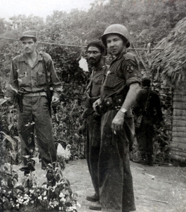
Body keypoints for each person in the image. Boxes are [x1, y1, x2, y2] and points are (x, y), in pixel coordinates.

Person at [92, 24, 141, 211]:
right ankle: (124, 206)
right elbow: (116, 88)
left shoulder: (127, 59)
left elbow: (135, 87)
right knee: (118, 162)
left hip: (116, 115)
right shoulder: (115, 62)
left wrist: (121, 113)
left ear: (124, 41)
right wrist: (100, 100)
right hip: (109, 113)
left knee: (112, 163)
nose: (112, 44)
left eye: (116, 40)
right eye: (109, 41)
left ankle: (112, 207)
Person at [8, 30, 62, 169]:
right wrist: (12, 100)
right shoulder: (16, 61)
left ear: (35, 44)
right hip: (24, 102)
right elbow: (12, 84)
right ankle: (28, 178)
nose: (27, 46)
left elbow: (56, 82)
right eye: (24, 43)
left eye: (30, 43)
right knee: (25, 138)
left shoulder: (45, 59)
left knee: (46, 138)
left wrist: (56, 95)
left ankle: (51, 176)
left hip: (41, 100)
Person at [82, 41, 107, 205]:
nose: (91, 55)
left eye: (95, 52)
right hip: (91, 118)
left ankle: (104, 197)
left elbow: (106, 95)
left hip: (100, 118)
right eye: (89, 52)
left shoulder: (106, 72)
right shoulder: (94, 72)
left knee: (100, 157)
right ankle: (98, 192)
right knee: (91, 156)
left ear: (102, 54)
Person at [134, 77, 164, 166]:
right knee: (149, 137)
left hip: (142, 118)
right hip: (151, 119)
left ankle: (143, 157)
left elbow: (135, 107)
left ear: (142, 84)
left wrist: (136, 115)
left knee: (141, 136)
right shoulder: (155, 94)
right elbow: (158, 109)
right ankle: (150, 159)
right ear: (150, 84)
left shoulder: (140, 93)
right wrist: (159, 120)